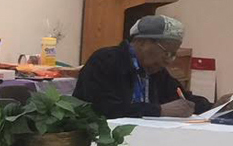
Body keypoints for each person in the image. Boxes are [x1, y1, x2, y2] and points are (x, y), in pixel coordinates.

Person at [76, 14, 210, 119]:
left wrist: (216, 107)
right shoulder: (105, 61)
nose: (169, 61)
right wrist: (159, 111)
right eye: (167, 53)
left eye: (174, 55)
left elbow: (183, 100)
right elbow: (103, 109)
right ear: (142, 42)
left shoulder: (156, 71)